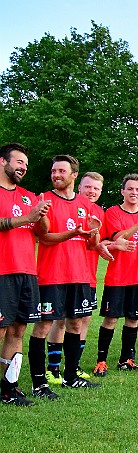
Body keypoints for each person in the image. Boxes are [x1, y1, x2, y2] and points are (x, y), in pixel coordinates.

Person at [32, 155, 102, 396]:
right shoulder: (45, 200)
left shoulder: (86, 205)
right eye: (54, 171)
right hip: (52, 274)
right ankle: (39, 382)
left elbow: (92, 245)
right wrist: (72, 232)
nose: (56, 175)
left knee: (75, 323)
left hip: (80, 274)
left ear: (73, 175)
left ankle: (71, 375)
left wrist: (93, 233)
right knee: (43, 326)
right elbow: (45, 238)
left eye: (62, 171)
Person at [93, 174, 138, 376]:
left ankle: (126, 360)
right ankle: (101, 361)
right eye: (130, 189)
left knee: (133, 319)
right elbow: (117, 238)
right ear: (122, 191)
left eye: (137, 190)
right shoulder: (114, 212)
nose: (134, 193)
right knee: (111, 319)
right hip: (118, 277)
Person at [44, 171, 108, 384]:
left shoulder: (98, 212)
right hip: (63, 272)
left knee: (82, 320)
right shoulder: (67, 203)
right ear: (79, 186)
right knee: (59, 320)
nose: (92, 191)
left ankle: (74, 365)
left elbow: (98, 244)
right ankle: (53, 368)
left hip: (87, 274)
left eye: (96, 189)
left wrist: (106, 240)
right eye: (88, 187)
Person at [0, 143, 51, 406]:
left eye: (26, 165)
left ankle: (9, 388)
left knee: (18, 330)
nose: (23, 168)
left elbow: (42, 232)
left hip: (27, 272)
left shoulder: (28, 196)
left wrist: (41, 214)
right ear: (2, 162)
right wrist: (27, 217)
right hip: (2, 272)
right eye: (19, 162)